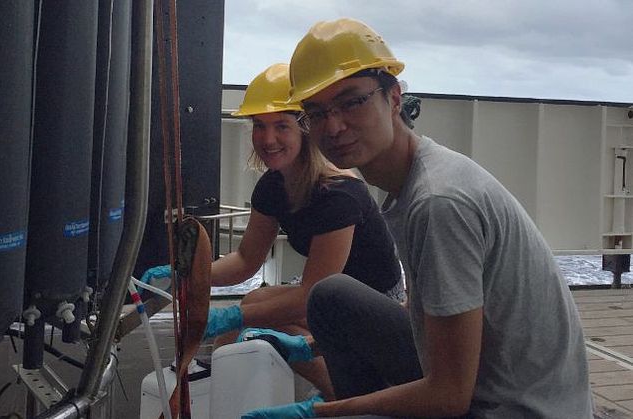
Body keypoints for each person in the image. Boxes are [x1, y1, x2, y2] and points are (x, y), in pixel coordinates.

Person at [240, 18, 593, 419]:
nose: (334, 126)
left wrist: (325, 412)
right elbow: (429, 319)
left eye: (352, 102)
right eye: (317, 113)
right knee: (332, 298)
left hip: (514, 407)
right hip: (490, 379)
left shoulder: (438, 202)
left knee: (332, 308)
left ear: (393, 98)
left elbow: (448, 396)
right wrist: (312, 347)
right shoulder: (416, 182)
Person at [142, 62, 408, 401]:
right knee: (251, 310)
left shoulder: (338, 194)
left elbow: (312, 292)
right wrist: (188, 274)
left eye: (281, 125)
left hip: (378, 305)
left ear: (305, 128)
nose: (267, 139)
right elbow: (245, 260)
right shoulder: (273, 186)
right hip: (329, 294)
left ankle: (346, 399)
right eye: (259, 125)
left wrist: (233, 315)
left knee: (261, 319)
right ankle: (225, 387)